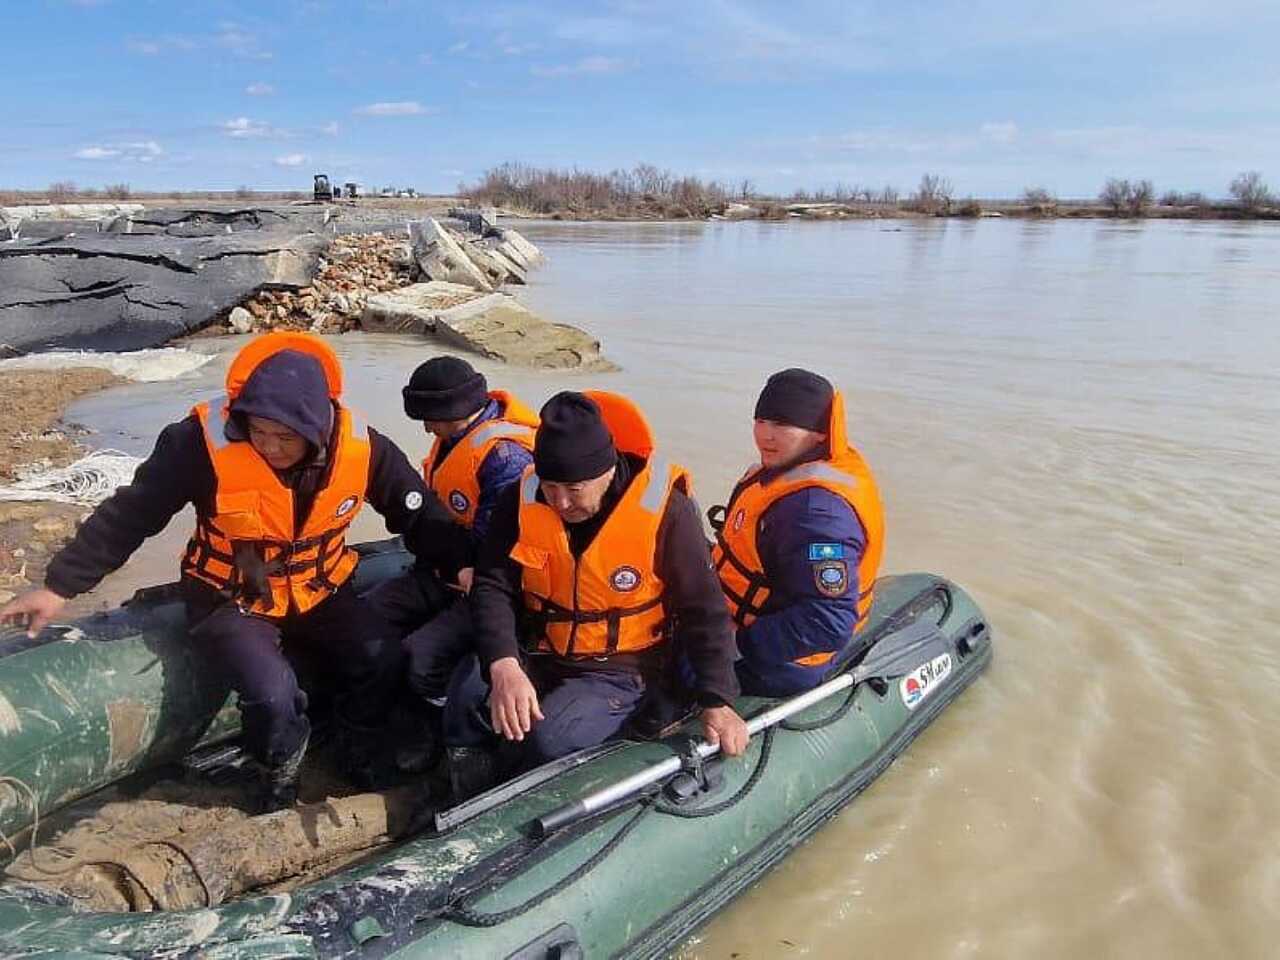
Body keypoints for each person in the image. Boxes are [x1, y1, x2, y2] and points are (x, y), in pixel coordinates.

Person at [0, 332, 468, 811]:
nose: (270, 447)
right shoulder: (196, 445)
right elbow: (132, 515)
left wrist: (462, 565)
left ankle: (357, 744)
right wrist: (60, 587)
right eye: (258, 432)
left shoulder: (364, 448)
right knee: (272, 696)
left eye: (286, 437)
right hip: (233, 596)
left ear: (319, 428)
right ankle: (279, 776)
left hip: (318, 588)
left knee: (383, 659)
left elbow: (417, 512)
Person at [444, 390, 749, 799]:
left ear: (606, 472)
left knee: (549, 738)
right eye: (550, 488)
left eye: (574, 489)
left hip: (619, 667)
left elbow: (704, 609)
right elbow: (493, 585)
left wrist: (718, 697)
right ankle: (463, 790)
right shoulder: (519, 499)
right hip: (539, 648)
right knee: (465, 698)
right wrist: (503, 663)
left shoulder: (666, 512)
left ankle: (519, 802)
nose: (561, 502)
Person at [366, 356, 537, 773]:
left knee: (420, 654)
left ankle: (437, 729)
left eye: (429, 418)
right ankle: (380, 707)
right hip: (445, 567)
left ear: (454, 410)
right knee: (367, 617)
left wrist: (456, 567)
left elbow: (491, 550)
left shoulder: (505, 458)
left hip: (487, 582)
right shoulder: (455, 438)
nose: (426, 428)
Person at [709, 369, 885, 697]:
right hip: (741, 611)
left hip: (780, 661)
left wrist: (735, 644)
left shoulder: (816, 514)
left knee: (665, 666)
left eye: (782, 425)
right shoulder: (786, 468)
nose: (766, 435)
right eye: (761, 421)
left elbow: (828, 622)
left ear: (819, 433)